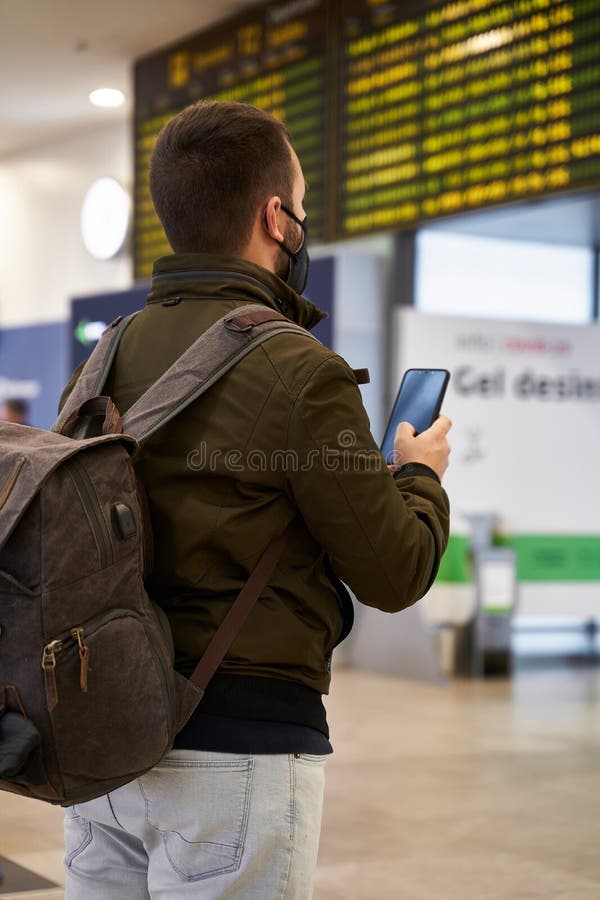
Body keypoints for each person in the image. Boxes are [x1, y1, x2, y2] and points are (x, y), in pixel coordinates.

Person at [58, 101, 451, 899]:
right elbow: (396, 571)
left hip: (102, 739)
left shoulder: (107, 355)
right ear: (278, 219)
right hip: (237, 749)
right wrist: (418, 475)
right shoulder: (300, 370)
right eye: (301, 205)